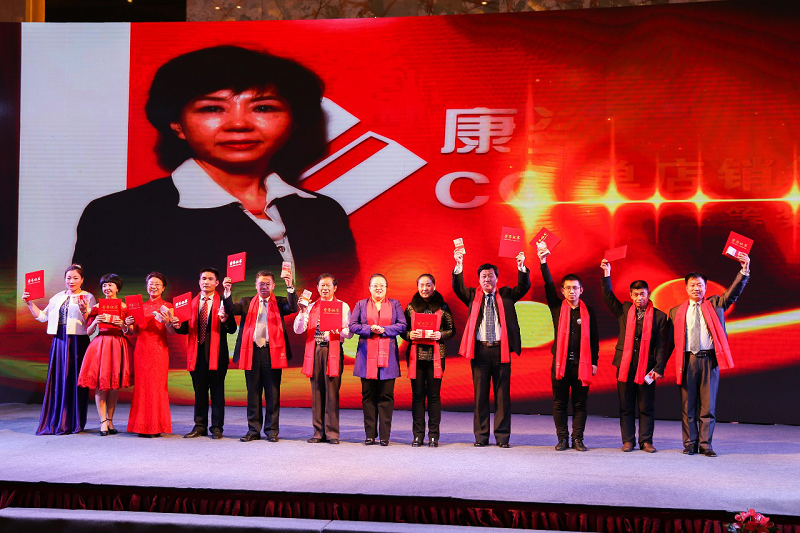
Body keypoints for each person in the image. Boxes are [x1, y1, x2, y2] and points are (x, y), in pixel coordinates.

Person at [72, 45, 358, 296]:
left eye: (263, 108)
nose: (239, 124)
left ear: (294, 121)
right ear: (177, 124)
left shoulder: (323, 213)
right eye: (212, 109)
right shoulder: (119, 216)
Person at [668, 253, 750, 457]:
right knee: (688, 406)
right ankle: (690, 443)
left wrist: (744, 270)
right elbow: (668, 342)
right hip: (687, 361)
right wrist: (657, 367)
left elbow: (733, 292)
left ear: (706, 288)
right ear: (686, 288)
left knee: (708, 405)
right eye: (692, 285)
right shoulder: (676, 312)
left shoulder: (716, 304)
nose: (696, 288)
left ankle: (705, 445)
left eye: (700, 285)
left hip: (709, 361)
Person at [452, 252, 530, 448]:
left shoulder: (506, 294)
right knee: (480, 396)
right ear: (479, 279)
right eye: (484, 276)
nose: (487, 279)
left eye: (490, 276)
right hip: (480, 352)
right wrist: (459, 265)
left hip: (501, 350)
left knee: (502, 396)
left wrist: (521, 266)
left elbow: (524, 287)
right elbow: (458, 288)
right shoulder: (473, 296)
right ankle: (481, 436)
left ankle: (502, 437)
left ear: (497, 278)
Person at [600, 260, 669, 453]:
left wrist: (658, 368)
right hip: (625, 366)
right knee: (626, 405)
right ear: (631, 295)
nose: (639, 298)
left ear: (649, 294)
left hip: (647, 368)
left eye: (642, 294)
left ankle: (646, 441)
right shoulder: (623, 310)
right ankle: (628, 441)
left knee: (646, 406)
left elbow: (662, 346)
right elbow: (608, 296)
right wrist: (607, 274)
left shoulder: (659, 317)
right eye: (636, 294)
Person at [223, 268, 297, 442]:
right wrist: (227, 292)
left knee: (273, 393)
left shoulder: (280, 302)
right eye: (261, 284)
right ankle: (253, 430)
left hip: (273, 352)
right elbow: (231, 309)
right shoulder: (246, 301)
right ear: (255, 285)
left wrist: (289, 286)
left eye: (267, 284)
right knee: (253, 393)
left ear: (273, 285)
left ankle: (272, 430)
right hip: (252, 352)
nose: (264, 286)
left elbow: (293, 307)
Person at [538, 245, 599, 451]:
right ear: (562, 290)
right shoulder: (557, 307)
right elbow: (548, 285)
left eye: (575, 288)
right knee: (560, 403)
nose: (572, 291)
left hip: (581, 365)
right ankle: (562, 439)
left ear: (581, 290)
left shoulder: (589, 312)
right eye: (568, 288)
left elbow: (594, 339)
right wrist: (543, 262)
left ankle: (578, 439)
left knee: (580, 404)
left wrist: (594, 362)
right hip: (560, 365)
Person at [23, 264, 95, 435]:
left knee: (74, 379)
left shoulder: (88, 297)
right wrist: (30, 303)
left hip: (77, 342)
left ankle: (73, 421)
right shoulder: (57, 297)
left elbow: (91, 324)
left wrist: (84, 310)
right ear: (64, 279)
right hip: (59, 341)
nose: (71, 281)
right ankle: (58, 419)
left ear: (82, 280)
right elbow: (43, 317)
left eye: (75, 278)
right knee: (59, 379)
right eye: (68, 278)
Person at [173, 268, 237, 439]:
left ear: (217, 283)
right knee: (199, 392)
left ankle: (216, 427)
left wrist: (225, 319)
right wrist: (178, 326)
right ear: (199, 281)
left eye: (210, 279)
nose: (206, 282)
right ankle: (199, 426)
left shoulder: (223, 301)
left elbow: (232, 328)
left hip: (217, 355)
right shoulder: (191, 303)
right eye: (203, 278)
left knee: (217, 393)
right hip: (197, 355)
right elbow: (185, 328)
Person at [293, 273, 352, 444]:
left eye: (328, 285)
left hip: (333, 350)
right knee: (316, 391)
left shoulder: (342, 306)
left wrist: (337, 330)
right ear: (317, 288)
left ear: (335, 288)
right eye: (322, 286)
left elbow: (349, 332)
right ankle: (318, 432)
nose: (325, 288)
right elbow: (298, 329)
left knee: (332, 392)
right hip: (315, 350)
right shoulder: (310, 307)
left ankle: (332, 433)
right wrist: (302, 312)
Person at [349, 274, 406, 446]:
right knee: (368, 396)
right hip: (366, 356)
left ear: (386, 288)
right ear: (369, 288)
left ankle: (384, 436)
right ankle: (369, 434)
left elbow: (402, 325)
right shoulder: (361, 304)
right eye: (375, 285)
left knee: (386, 396)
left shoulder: (395, 304)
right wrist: (369, 328)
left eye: (381, 285)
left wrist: (384, 330)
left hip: (388, 357)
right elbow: (353, 325)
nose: (378, 288)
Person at [400, 274, 455, 447]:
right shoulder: (411, 307)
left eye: (428, 285)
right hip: (416, 357)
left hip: (436, 357)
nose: (425, 288)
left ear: (434, 286)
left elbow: (451, 330)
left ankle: (433, 435)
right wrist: (409, 335)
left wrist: (440, 335)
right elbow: (403, 330)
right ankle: (417, 435)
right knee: (417, 397)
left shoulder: (442, 306)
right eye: (422, 285)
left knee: (434, 396)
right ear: (417, 287)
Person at [78, 273, 133, 436]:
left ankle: (110, 420)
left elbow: (130, 331)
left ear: (117, 288)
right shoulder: (96, 307)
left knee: (114, 386)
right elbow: (88, 331)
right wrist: (95, 321)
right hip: (101, 344)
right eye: (104, 285)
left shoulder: (124, 307)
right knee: (101, 385)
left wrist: (123, 325)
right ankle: (102, 421)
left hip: (118, 344)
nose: (107, 288)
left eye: (110, 285)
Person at [126, 272, 175, 437]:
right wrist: (128, 324)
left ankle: (155, 426)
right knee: (142, 387)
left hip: (159, 349)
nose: (153, 287)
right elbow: (132, 331)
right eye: (151, 284)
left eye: (157, 284)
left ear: (163, 288)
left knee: (157, 387)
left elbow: (171, 331)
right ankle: (141, 426)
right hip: (141, 349)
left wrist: (167, 322)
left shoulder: (168, 306)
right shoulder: (139, 306)